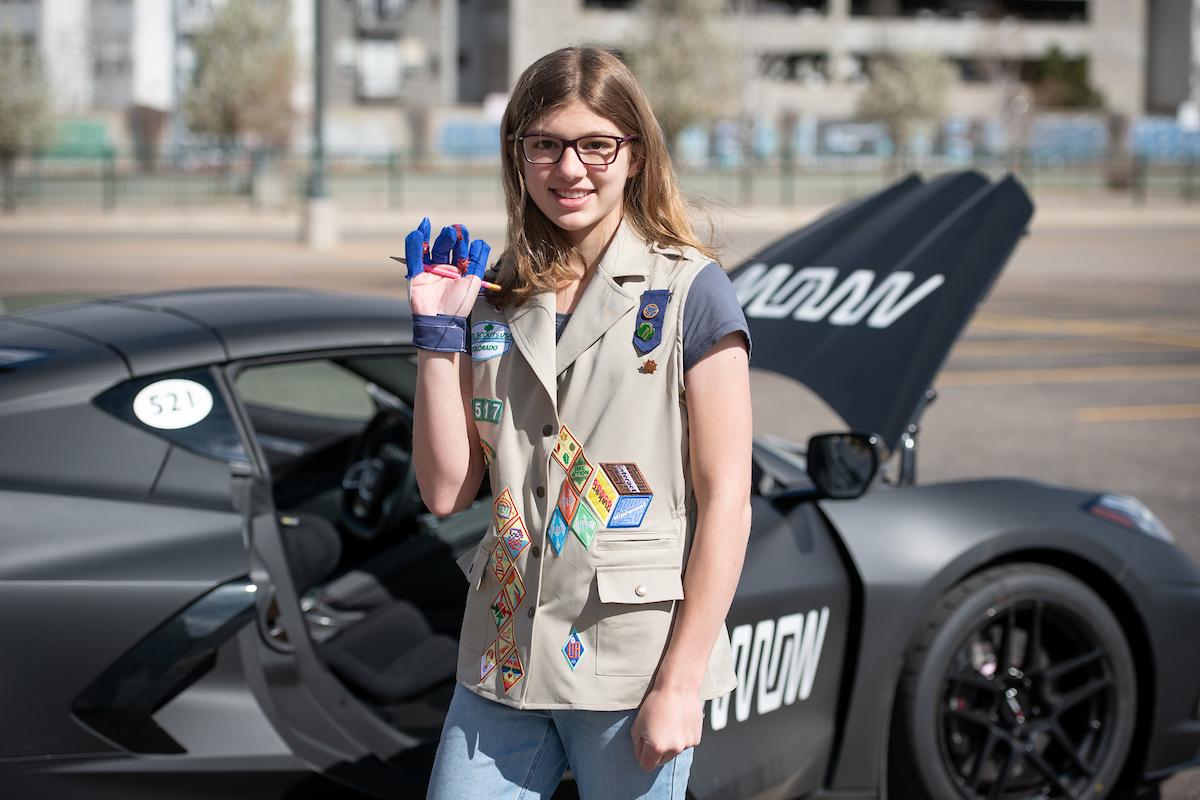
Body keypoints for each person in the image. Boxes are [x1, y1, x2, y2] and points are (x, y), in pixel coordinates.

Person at [406, 46, 753, 800]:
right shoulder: (493, 296)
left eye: (596, 144)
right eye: (546, 145)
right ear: (518, 156)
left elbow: (728, 496)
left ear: (635, 155)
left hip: (629, 664)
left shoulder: (690, 291)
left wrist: (682, 680)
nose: (570, 169)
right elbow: (444, 491)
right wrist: (438, 340)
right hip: (503, 654)